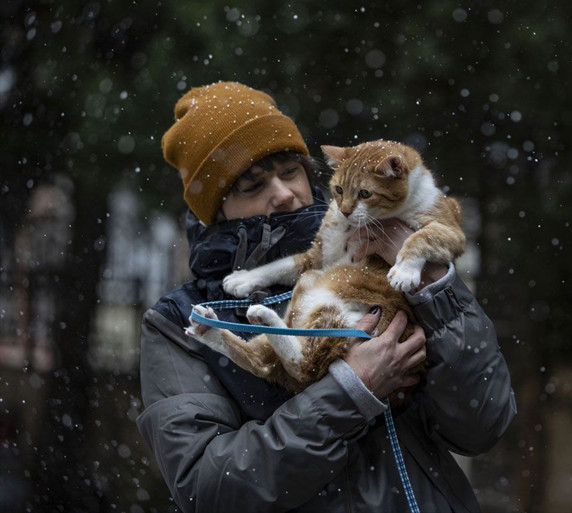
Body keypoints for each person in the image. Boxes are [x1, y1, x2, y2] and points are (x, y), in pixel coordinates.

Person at [136, 81, 516, 512]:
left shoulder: (392, 260)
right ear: (215, 208)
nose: (282, 193)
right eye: (251, 185)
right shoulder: (181, 322)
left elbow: (481, 425)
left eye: (289, 171)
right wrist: (348, 393)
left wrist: (435, 287)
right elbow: (209, 489)